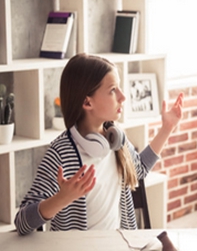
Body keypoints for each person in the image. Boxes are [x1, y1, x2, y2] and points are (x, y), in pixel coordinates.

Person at [15, 53, 183, 235]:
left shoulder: (115, 139)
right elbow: (22, 223)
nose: (123, 96)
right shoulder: (61, 153)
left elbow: (139, 169)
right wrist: (62, 199)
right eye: (113, 90)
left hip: (120, 244)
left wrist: (167, 128)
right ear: (87, 102)